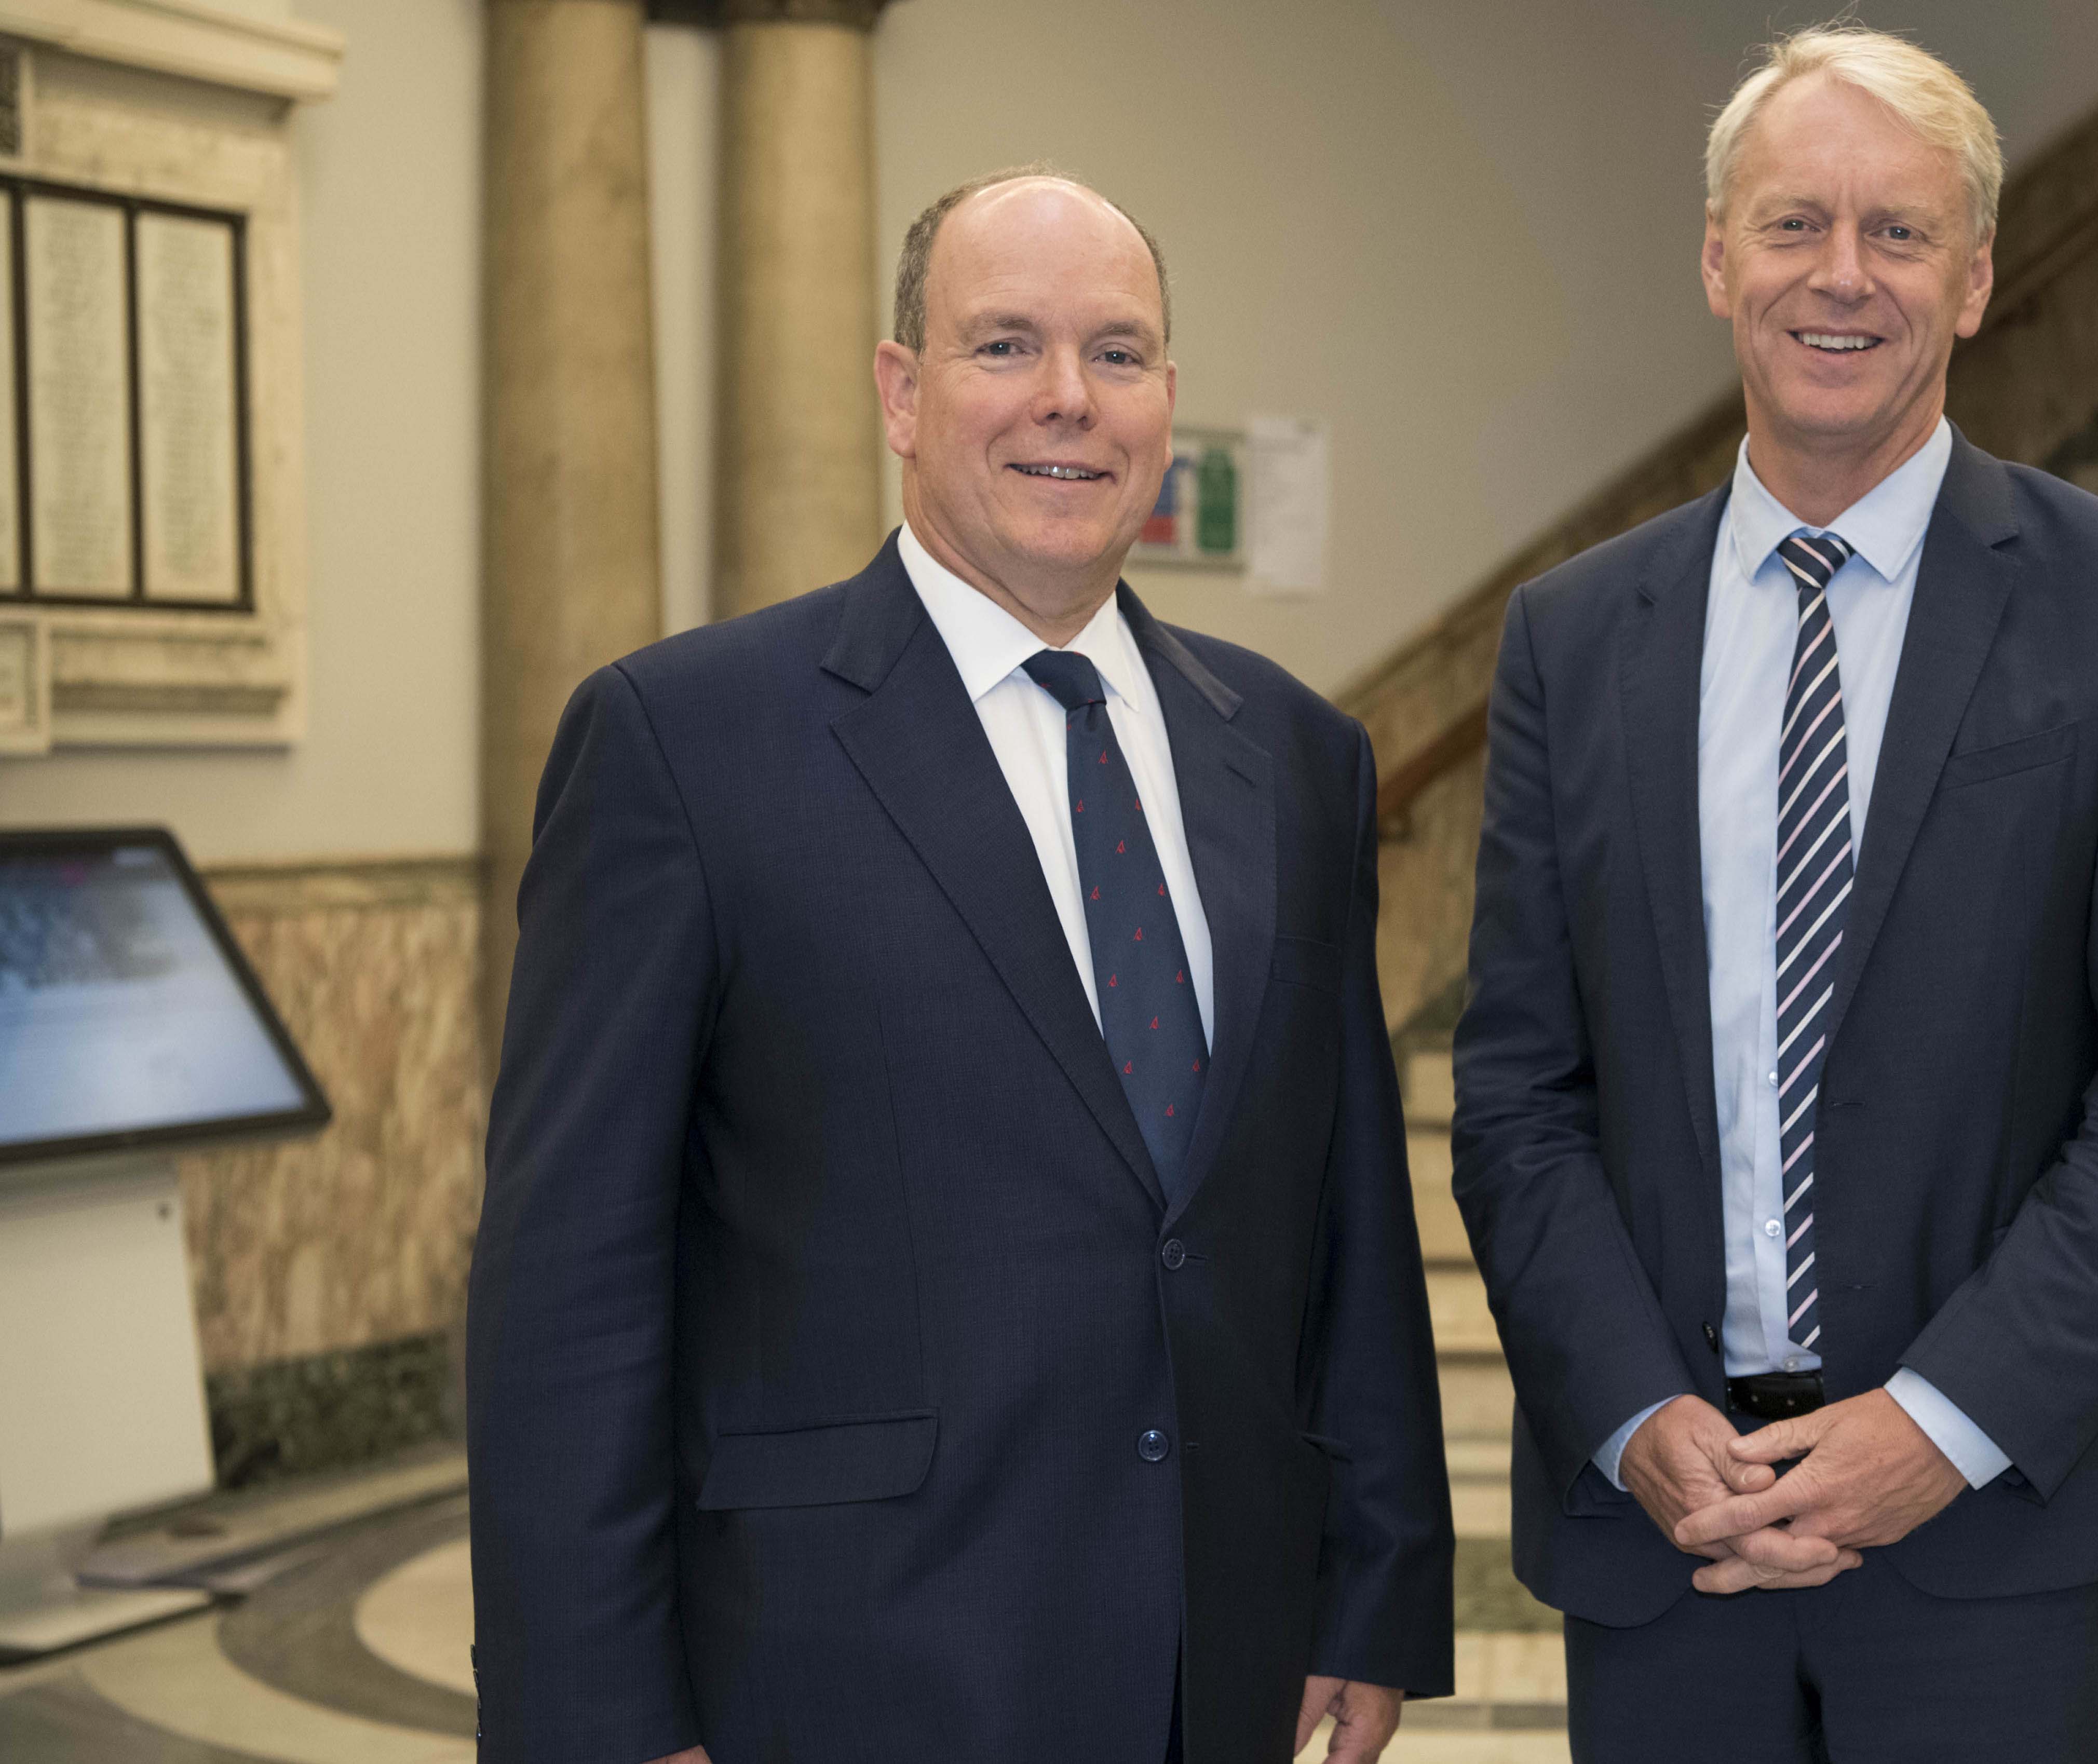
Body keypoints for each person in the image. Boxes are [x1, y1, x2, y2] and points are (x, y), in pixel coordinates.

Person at [467, 168, 1451, 1764]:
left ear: (1168, 403)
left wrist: (1375, 1589)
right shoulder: (683, 744)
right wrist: (600, 1715)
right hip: (843, 1669)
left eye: (1116, 354)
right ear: (900, 393)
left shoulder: (1294, 753)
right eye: (1004, 345)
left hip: (1225, 1665)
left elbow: (1345, 1222)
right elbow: (569, 1287)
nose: (1068, 399)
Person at [1451, 24, 2098, 1760]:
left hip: (2011, 1544)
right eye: (1793, 223)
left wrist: (1940, 1424)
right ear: (1715, 257)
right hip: (1675, 1540)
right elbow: (1519, 1091)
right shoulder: (1574, 639)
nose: (1842, 275)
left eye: (1897, 233)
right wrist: (1628, 1413)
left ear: (1973, 281)